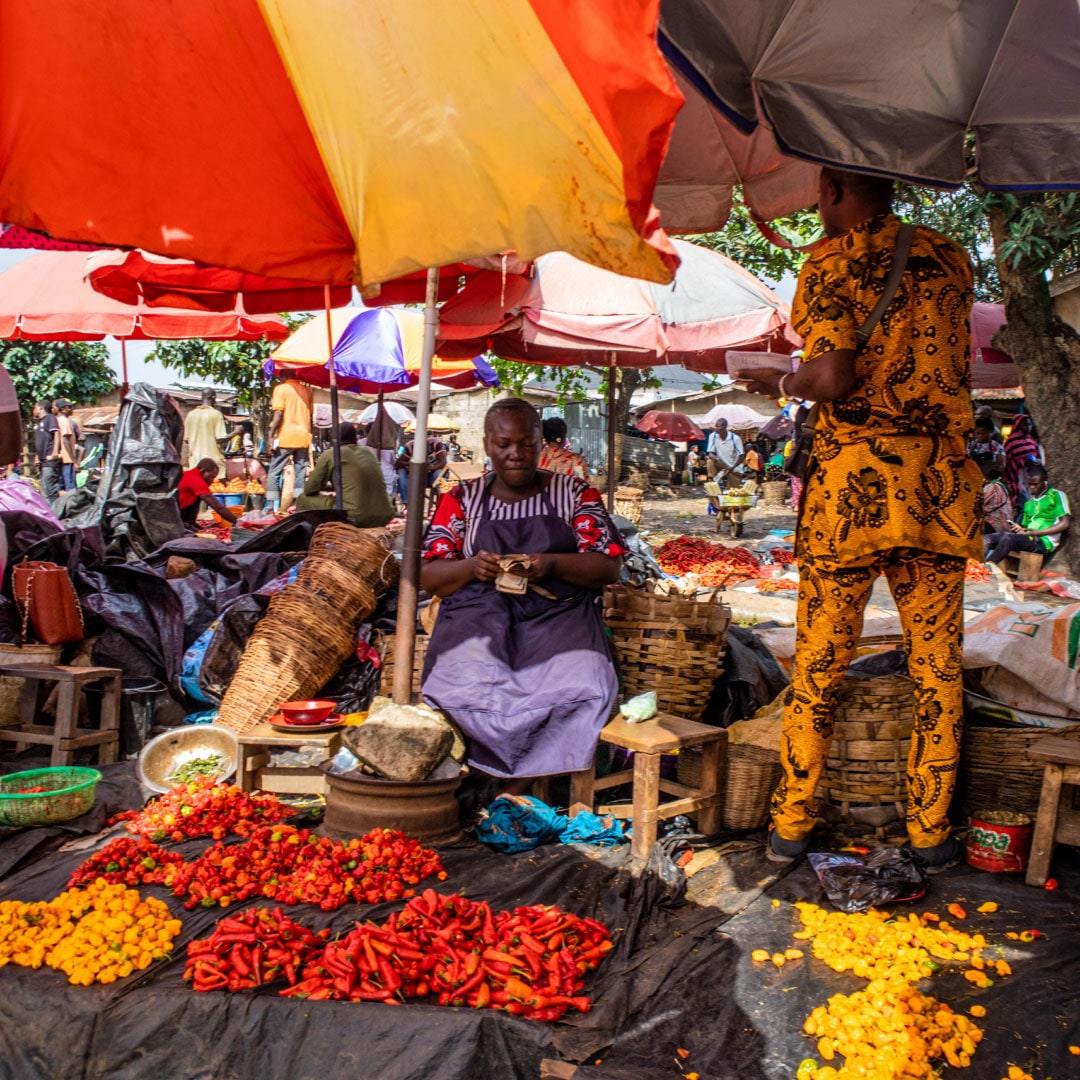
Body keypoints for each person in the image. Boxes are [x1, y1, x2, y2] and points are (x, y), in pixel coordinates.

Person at [742, 167, 982, 872]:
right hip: (936, 484)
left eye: (820, 196)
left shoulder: (832, 261)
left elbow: (833, 376)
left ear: (836, 193)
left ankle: (791, 827)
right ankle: (931, 835)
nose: (818, 209)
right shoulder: (950, 256)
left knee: (819, 664)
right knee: (937, 669)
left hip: (854, 490)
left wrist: (781, 381)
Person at [420, 398, 625, 792]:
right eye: (504, 444)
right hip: (478, 617)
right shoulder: (462, 499)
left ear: (540, 442)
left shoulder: (576, 494)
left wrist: (551, 564)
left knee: (586, 684)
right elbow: (430, 576)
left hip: (559, 616)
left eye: (527, 443)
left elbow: (607, 566)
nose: (516, 454)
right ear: (487, 445)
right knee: (457, 685)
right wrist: (471, 567)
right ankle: (483, 782)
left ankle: (538, 786)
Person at [296, 422, 396, 528]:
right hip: (385, 514)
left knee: (303, 499)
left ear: (334, 438)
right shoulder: (368, 452)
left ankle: (310, 537)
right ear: (355, 437)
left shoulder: (332, 454)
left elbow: (310, 489)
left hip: (355, 516)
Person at [985, 464, 1070, 563]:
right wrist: (1020, 528)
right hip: (1029, 538)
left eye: (1036, 484)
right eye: (1030, 484)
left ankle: (986, 569)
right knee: (987, 538)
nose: (1032, 488)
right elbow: (1025, 528)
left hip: (1043, 542)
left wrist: (1036, 533)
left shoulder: (1055, 495)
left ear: (1045, 480)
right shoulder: (1028, 503)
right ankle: (974, 568)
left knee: (1008, 538)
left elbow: (1065, 523)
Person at [266, 370, 314, 510]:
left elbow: (279, 413)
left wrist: (271, 434)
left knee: (274, 471)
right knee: (300, 472)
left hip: (286, 437)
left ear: (284, 376)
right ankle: (299, 505)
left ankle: (270, 506)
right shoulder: (307, 391)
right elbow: (310, 416)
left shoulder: (281, 389)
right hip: (304, 437)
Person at [177, 458, 239, 529]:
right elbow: (217, 506)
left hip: (179, 515)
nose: (212, 481)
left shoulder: (189, 474)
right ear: (203, 471)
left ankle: (190, 526)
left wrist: (201, 529)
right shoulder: (196, 479)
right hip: (177, 516)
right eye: (211, 477)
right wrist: (237, 521)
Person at [184, 389, 228, 476]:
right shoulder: (216, 414)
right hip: (213, 464)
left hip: (195, 463)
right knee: (216, 488)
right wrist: (237, 432)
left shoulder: (191, 415)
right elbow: (220, 438)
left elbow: (186, 439)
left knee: (197, 487)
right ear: (213, 397)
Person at [1003, 415, 1042, 513]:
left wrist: (1036, 462)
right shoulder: (1011, 441)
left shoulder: (1031, 441)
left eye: (1029, 424)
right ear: (1018, 425)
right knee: (1022, 501)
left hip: (1031, 476)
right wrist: (1022, 462)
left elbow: (1038, 456)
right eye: (1025, 424)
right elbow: (1006, 461)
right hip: (1017, 477)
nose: (1028, 427)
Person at [396, 433, 447, 507]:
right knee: (401, 472)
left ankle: (443, 503)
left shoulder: (436, 443)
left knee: (438, 473)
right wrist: (409, 465)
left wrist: (431, 468)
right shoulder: (410, 446)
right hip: (415, 477)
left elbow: (443, 462)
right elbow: (398, 463)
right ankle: (407, 503)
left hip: (432, 475)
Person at [32, 399, 63, 503]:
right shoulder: (39, 422)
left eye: (35, 407)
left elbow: (56, 434)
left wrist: (54, 451)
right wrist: (37, 456)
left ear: (40, 408)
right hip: (43, 461)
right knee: (44, 489)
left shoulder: (50, 418)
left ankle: (54, 515)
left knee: (49, 491)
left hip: (50, 461)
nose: (33, 410)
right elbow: (39, 441)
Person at [705, 418, 744, 487]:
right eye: (716, 426)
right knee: (709, 461)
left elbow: (741, 455)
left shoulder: (734, 438)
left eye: (718, 426)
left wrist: (731, 468)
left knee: (733, 491)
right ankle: (711, 481)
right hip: (721, 464)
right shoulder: (713, 436)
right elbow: (710, 452)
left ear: (725, 427)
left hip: (733, 468)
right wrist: (715, 457)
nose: (716, 428)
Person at [52, 399, 80, 492]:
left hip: (61, 459)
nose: (72, 409)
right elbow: (65, 440)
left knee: (60, 486)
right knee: (70, 488)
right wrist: (74, 460)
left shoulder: (56, 421)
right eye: (70, 407)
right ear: (63, 409)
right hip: (67, 459)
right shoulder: (65, 421)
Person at [981, 461, 1012, 535]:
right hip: (1002, 525)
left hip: (997, 527)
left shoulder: (993, 487)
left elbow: (977, 502)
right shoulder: (999, 485)